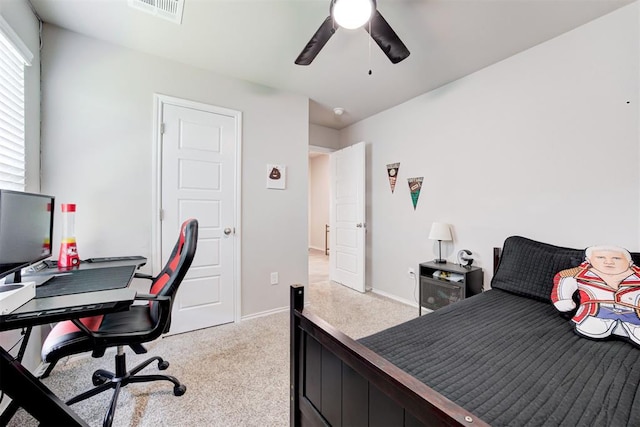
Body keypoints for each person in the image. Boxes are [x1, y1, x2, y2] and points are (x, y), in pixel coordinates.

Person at [551, 245, 640, 344]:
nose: (609, 262)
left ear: (630, 262)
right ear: (588, 260)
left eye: (617, 258)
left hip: (634, 318)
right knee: (591, 327)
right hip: (594, 314)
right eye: (601, 257)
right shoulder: (577, 274)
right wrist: (563, 300)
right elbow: (563, 280)